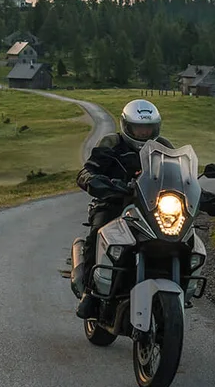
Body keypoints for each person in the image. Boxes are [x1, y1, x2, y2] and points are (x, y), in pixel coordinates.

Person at [72, 99, 171, 319]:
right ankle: (89, 293)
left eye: (149, 128)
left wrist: (203, 195)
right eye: (139, 128)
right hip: (114, 203)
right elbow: (88, 170)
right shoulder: (112, 143)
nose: (144, 133)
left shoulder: (164, 147)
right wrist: (93, 181)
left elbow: (181, 176)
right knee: (98, 232)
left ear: (156, 127)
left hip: (152, 208)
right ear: (127, 126)